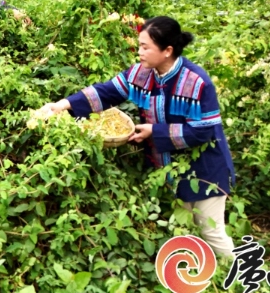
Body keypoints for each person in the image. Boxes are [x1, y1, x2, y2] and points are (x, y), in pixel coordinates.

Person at [38, 16, 236, 258]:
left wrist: (155, 132)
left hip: (206, 169)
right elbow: (107, 91)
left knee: (211, 230)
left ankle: (238, 278)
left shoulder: (196, 82)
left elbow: (204, 130)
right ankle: (200, 279)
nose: (139, 52)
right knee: (188, 227)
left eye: (145, 47)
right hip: (172, 167)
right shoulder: (142, 73)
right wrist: (64, 105)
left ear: (167, 51)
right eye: (139, 45)